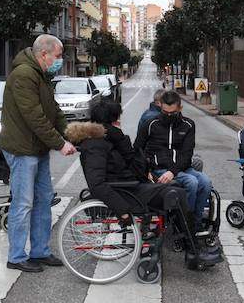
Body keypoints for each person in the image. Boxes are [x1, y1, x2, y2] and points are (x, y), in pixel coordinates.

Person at [68, 100, 221, 269]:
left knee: (176, 190)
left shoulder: (108, 138)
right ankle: (194, 252)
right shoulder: (96, 144)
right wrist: (122, 210)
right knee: (175, 195)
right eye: (118, 118)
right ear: (112, 120)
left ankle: (191, 247)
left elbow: (127, 163)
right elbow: (97, 184)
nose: (120, 121)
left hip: (128, 187)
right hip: (124, 194)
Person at [0, 34, 75, 273]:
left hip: (37, 148)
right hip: (22, 149)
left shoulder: (41, 75)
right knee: (23, 204)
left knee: (43, 201)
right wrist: (59, 144)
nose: (59, 60)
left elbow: (53, 111)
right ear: (44, 54)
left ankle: (40, 251)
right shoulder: (24, 74)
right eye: (59, 56)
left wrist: (73, 133)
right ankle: (16, 256)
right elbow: (34, 117)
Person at [136, 92, 213, 231]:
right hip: (158, 169)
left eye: (173, 113)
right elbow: (137, 149)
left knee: (206, 182)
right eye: (165, 112)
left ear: (180, 108)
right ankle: (183, 223)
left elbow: (187, 153)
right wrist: (144, 170)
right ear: (160, 107)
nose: (169, 116)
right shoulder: (150, 124)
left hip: (180, 168)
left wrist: (173, 171)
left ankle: (195, 221)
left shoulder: (188, 125)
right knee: (192, 182)